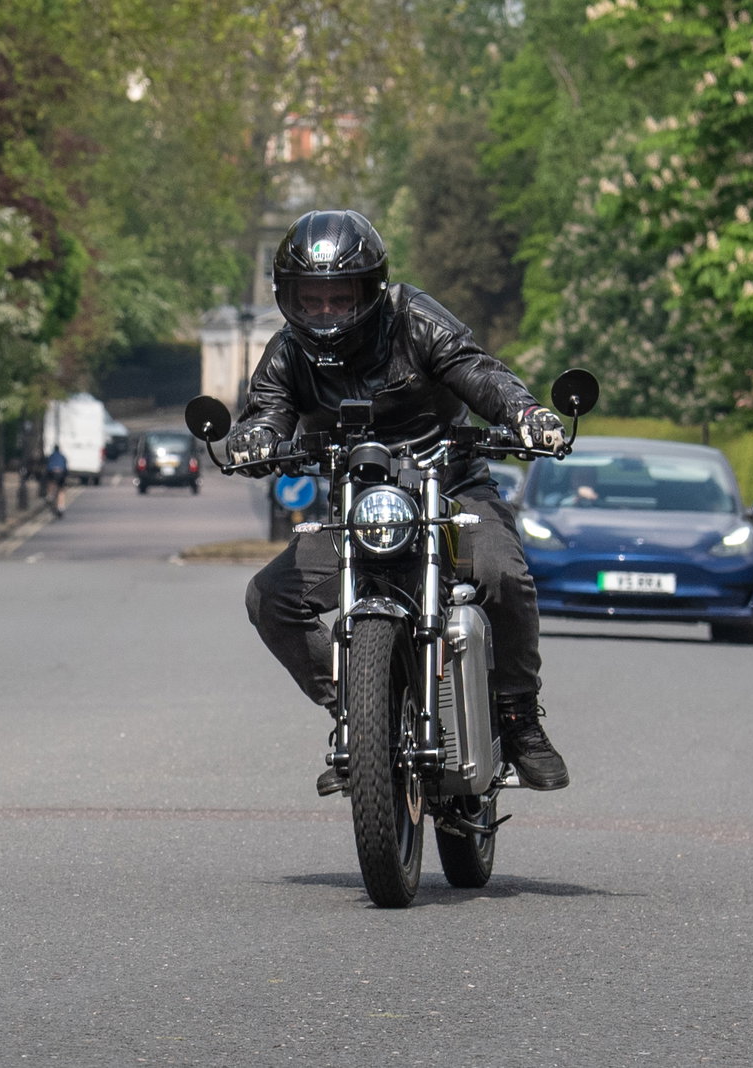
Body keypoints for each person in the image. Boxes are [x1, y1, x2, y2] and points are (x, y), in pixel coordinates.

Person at [228, 208, 570, 797]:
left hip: (451, 486)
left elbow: (477, 371)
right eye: (312, 299)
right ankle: (362, 715)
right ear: (290, 298)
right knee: (271, 596)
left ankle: (518, 718)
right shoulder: (287, 351)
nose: (326, 312)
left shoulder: (415, 319)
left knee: (501, 574)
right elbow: (266, 409)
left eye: (340, 296)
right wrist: (255, 438)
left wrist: (526, 414)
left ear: (371, 289)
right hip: (362, 508)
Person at [44, 445, 69, 518]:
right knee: (61, 490)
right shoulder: (62, 456)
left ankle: (50, 496)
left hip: (52, 472)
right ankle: (61, 507)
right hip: (61, 473)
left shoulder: (51, 456)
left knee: (50, 482)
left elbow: (47, 466)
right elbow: (65, 468)